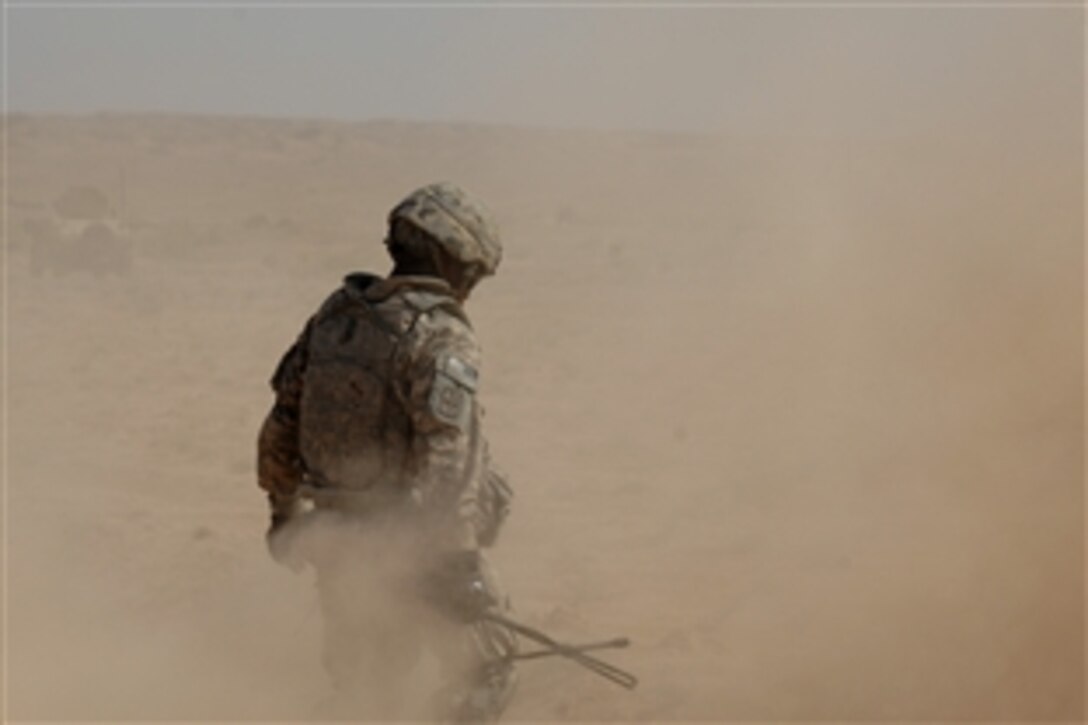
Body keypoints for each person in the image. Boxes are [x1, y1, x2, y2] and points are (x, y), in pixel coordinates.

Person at [256, 182, 518, 722]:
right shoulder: (440, 335)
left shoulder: (336, 317)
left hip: (338, 544)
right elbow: (448, 459)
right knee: (484, 674)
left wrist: (284, 517)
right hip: (411, 546)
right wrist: (456, 564)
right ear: (454, 261)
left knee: (363, 689)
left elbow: (282, 424)